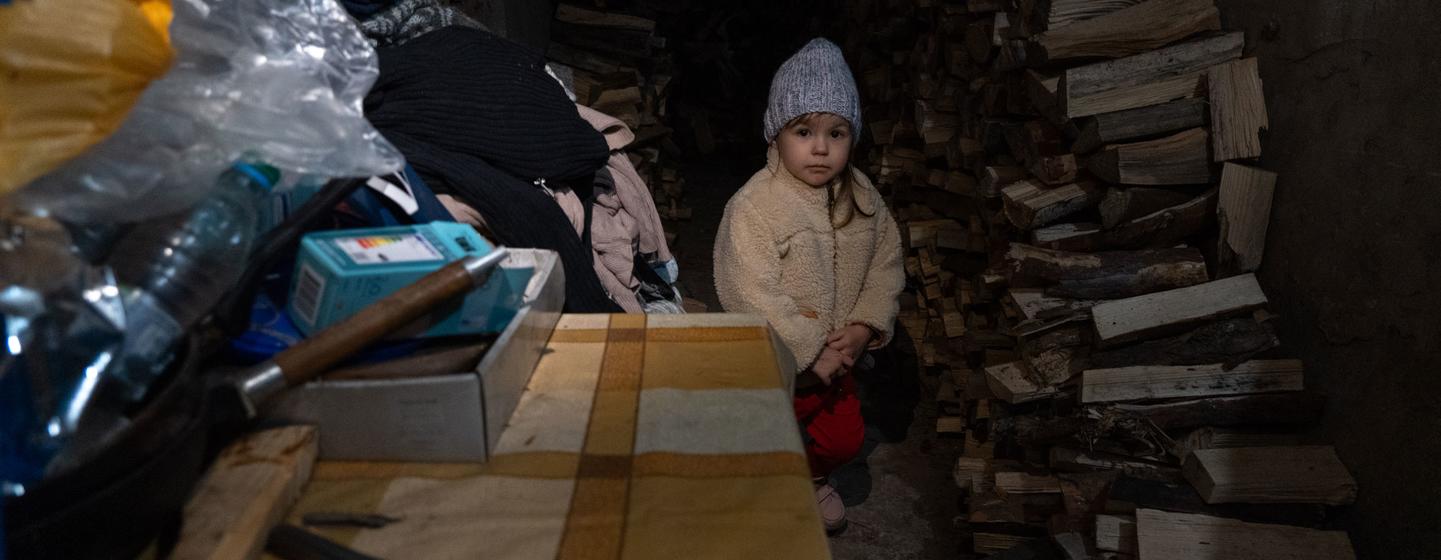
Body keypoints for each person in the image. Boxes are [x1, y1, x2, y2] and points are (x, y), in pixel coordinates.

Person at [713, 38, 904, 534]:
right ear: (776, 134)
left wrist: (865, 325)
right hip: (776, 361)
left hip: (837, 362)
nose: (820, 147)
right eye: (804, 131)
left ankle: (814, 476)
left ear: (853, 138)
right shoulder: (757, 204)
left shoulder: (863, 198)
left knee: (842, 439)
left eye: (836, 133)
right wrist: (805, 344)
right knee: (759, 430)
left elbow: (886, 265)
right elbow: (746, 284)